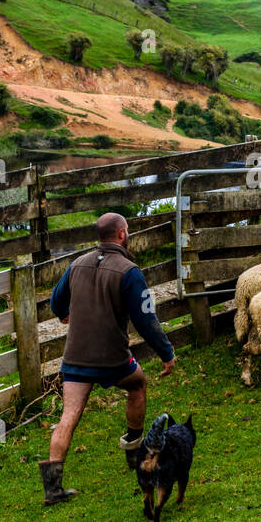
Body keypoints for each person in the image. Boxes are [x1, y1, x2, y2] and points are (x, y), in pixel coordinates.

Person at [39, 212, 175, 504]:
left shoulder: (76, 264)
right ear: (122, 234)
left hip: (76, 357)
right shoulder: (129, 271)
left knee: (68, 416)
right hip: (113, 358)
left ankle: (52, 488)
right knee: (137, 385)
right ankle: (132, 450)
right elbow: (145, 318)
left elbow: (55, 301)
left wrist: (65, 314)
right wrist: (166, 353)